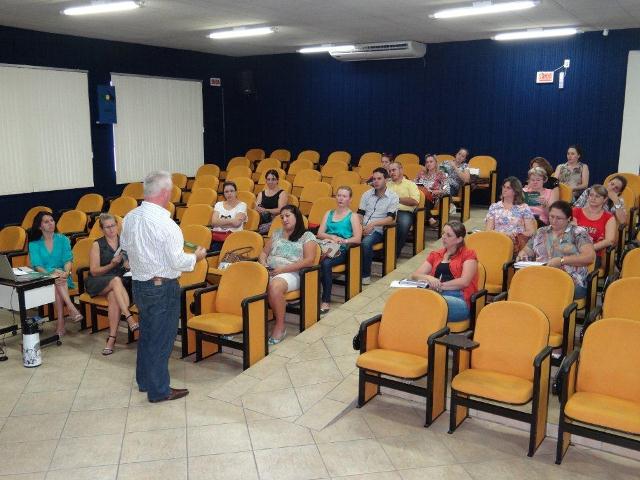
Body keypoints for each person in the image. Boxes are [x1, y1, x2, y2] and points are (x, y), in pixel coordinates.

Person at [120, 171, 207, 403]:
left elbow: (125, 247)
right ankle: (159, 390)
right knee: (161, 339)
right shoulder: (167, 225)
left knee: (147, 335)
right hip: (162, 287)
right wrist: (196, 257)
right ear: (166, 193)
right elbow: (178, 262)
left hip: (139, 285)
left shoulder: (129, 217)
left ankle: (145, 381)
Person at [258, 205, 317, 344]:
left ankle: (280, 326)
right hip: (270, 270)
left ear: (296, 217)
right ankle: (244, 324)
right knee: (247, 283)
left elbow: (309, 261)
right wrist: (263, 264)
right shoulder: (277, 233)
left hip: (292, 273)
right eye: (282, 217)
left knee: (274, 286)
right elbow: (263, 253)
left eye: (288, 216)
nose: (284, 219)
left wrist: (282, 270)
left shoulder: (307, 236)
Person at [516, 201, 595, 299]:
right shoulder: (541, 231)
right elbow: (528, 250)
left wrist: (561, 261)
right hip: (541, 276)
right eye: (551, 216)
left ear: (569, 219)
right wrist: (522, 254)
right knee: (520, 286)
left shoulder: (578, 233)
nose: (554, 221)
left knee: (544, 290)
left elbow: (589, 257)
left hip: (570, 279)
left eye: (559, 218)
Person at [84, 213, 137, 356]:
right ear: (102, 229)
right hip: (99, 280)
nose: (111, 229)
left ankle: (111, 339)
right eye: (107, 227)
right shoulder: (97, 244)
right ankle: (128, 316)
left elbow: (133, 265)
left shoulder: (125, 242)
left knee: (114, 295)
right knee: (115, 281)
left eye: (113, 225)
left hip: (121, 282)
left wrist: (128, 265)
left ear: (117, 226)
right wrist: (111, 264)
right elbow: (94, 272)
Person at [411, 221, 478, 322]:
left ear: (459, 239)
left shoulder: (469, 255)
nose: (443, 237)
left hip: (459, 298)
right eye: (443, 233)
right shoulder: (436, 254)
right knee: (409, 299)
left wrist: (438, 285)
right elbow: (415, 275)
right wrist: (429, 278)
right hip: (436, 295)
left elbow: (464, 281)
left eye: (448, 235)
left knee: (427, 303)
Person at [29, 211, 83, 337]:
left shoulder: (63, 239)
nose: (50, 223)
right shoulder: (34, 244)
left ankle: (61, 322)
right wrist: (51, 272)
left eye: (52, 220)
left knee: (58, 281)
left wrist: (66, 272)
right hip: (43, 276)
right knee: (55, 279)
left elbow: (68, 260)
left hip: (63, 277)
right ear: (39, 226)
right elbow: (37, 266)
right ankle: (70, 307)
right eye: (46, 222)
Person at [316, 186, 362, 314]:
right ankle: (309, 295)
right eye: (339, 195)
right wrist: (331, 237)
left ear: (350, 199)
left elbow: (358, 238)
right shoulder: (328, 213)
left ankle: (325, 300)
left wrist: (344, 240)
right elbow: (320, 233)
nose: (340, 198)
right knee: (311, 258)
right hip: (327, 245)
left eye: (344, 196)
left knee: (325, 263)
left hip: (342, 249)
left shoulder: (352, 216)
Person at [357, 167, 399, 285]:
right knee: (347, 238)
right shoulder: (366, 194)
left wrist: (372, 224)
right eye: (374, 179)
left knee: (366, 243)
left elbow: (391, 219)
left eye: (379, 179)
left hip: (378, 229)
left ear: (386, 180)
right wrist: (360, 227)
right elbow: (360, 214)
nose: (375, 181)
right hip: (362, 226)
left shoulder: (393, 196)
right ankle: (352, 271)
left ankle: (365, 276)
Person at [485, 177, 537, 253]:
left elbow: (531, 231)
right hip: (498, 240)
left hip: (516, 242)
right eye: (504, 187)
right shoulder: (494, 207)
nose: (504, 190)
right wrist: (503, 235)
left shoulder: (524, 208)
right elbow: (488, 230)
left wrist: (517, 235)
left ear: (515, 191)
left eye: (508, 188)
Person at [572, 185, 616, 268]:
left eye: (597, 196)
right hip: (574, 249)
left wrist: (589, 248)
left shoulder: (609, 217)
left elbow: (609, 241)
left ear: (605, 199)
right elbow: (571, 232)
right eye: (591, 195)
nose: (593, 198)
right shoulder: (576, 211)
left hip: (594, 252)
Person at [387, 162, 420, 257]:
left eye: (394, 170)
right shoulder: (387, 185)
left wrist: (397, 199)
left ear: (401, 170)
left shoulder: (410, 184)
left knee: (403, 224)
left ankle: (394, 254)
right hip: (387, 211)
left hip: (404, 211)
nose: (391, 172)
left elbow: (415, 201)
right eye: (390, 171)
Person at [414, 153, 450, 227]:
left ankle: (427, 220)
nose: (428, 164)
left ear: (436, 163)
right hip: (418, 195)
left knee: (422, 202)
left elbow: (447, 188)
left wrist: (438, 191)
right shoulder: (421, 173)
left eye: (431, 162)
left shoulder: (441, 174)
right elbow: (413, 183)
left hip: (431, 198)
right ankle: (430, 219)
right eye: (427, 162)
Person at [211, 181, 248, 251]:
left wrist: (220, 221)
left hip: (234, 239)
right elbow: (213, 222)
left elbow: (236, 223)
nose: (229, 193)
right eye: (226, 192)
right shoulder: (218, 204)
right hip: (218, 238)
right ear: (224, 194)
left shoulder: (242, 205)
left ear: (236, 192)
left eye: (232, 191)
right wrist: (231, 220)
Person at [256, 169, 288, 234]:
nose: (270, 182)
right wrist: (261, 210)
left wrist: (266, 210)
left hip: (276, 220)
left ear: (277, 180)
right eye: (268, 179)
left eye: (273, 179)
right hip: (262, 219)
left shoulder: (282, 193)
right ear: (266, 180)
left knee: (264, 227)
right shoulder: (261, 194)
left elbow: (281, 210)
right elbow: (257, 208)